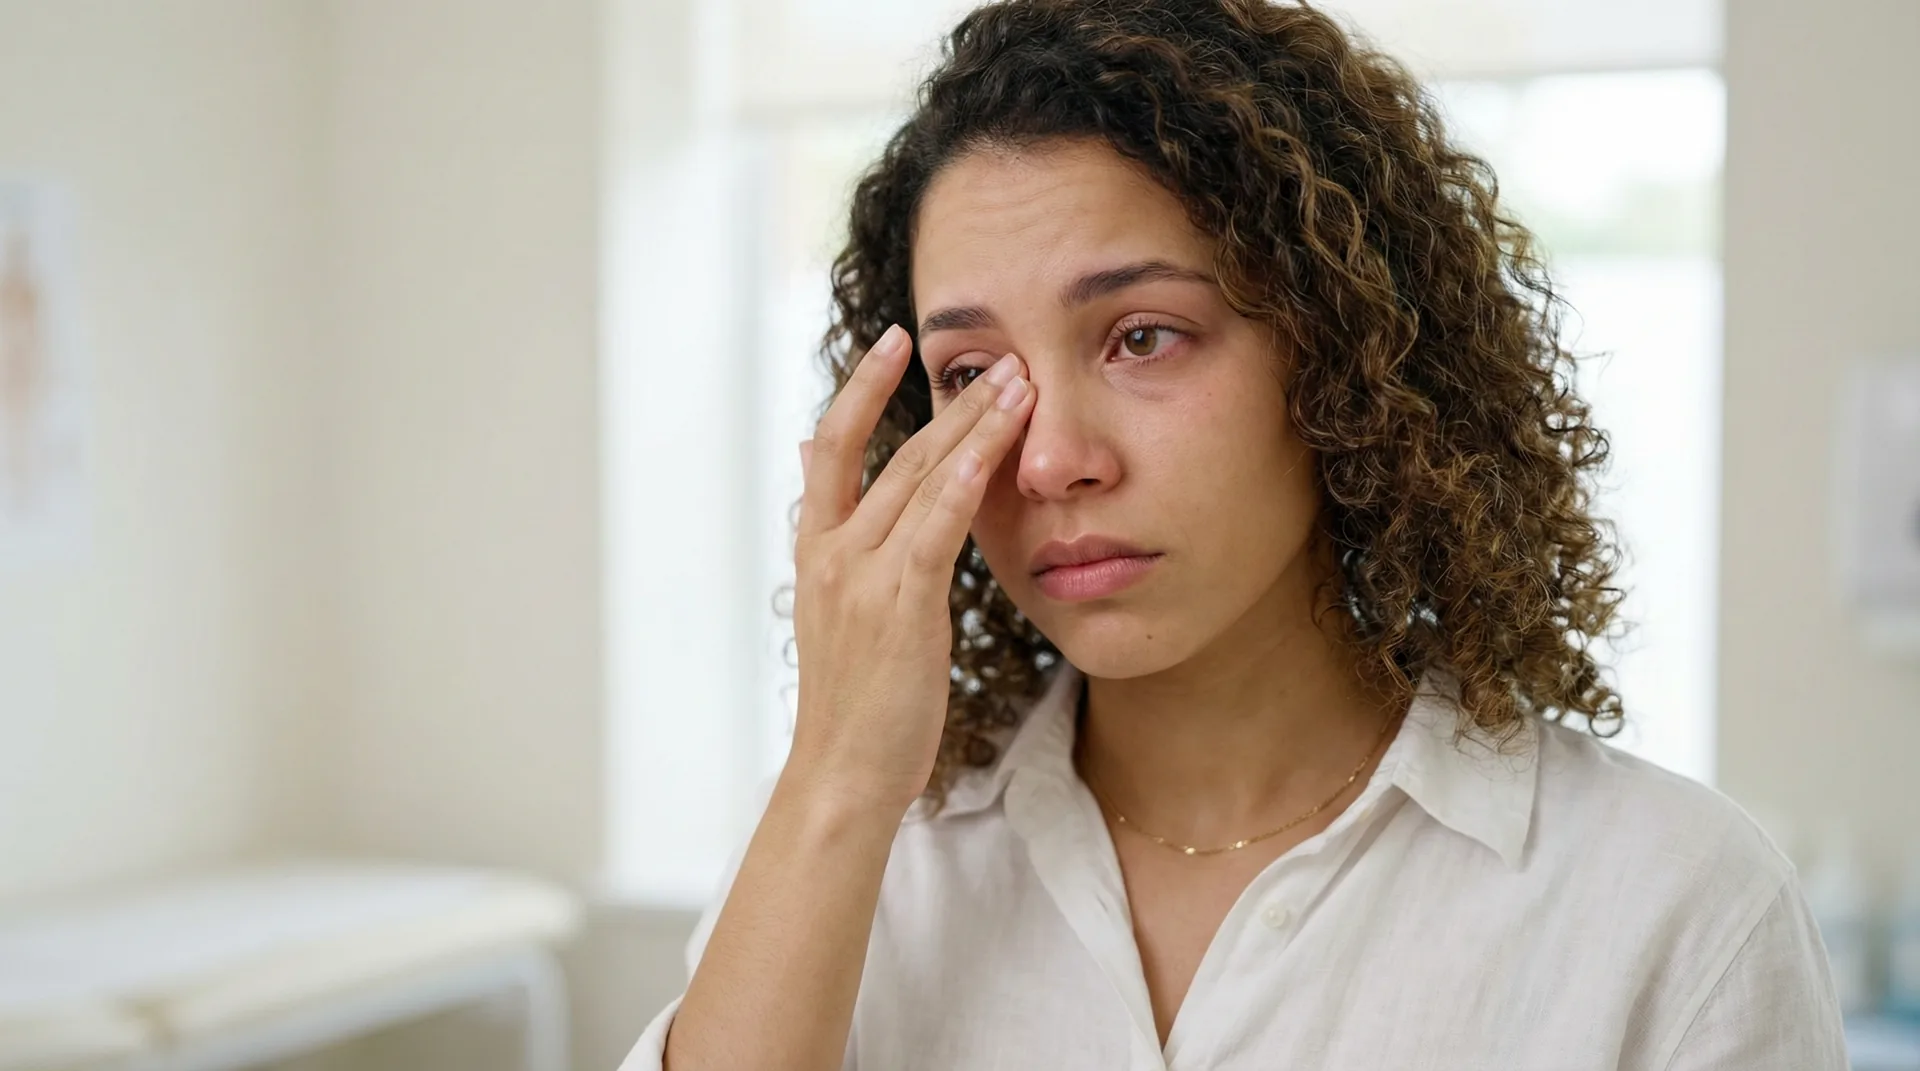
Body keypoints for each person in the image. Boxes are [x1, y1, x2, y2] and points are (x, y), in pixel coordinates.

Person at [621, 1, 1847, 1067]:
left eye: (1143, 337)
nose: (1048, 459)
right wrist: (837, 775)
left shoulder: (1672, 908)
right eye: (972, 373)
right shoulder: (854, 864)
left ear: (1344, 358)